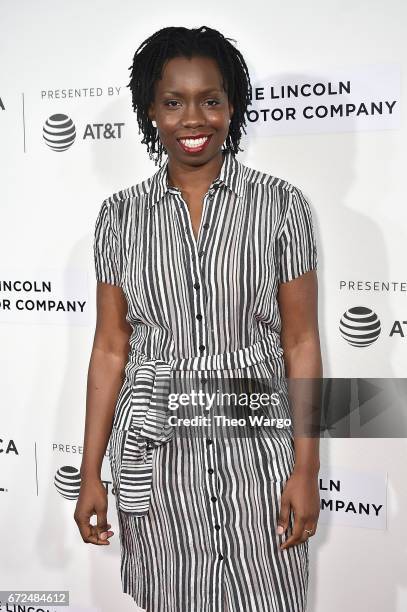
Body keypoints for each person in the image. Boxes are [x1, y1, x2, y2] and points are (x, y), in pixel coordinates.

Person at [74, 25, 322, 612]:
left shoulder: (282, 205)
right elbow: (111, 346)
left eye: (210, 100)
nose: (194, 119)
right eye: (173, 101)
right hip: (156, 455)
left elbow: (302, 341)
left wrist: (306, 468)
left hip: (257, 454)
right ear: (150, 111)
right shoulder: (118, 216)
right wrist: (90, 471)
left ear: (232, 106)